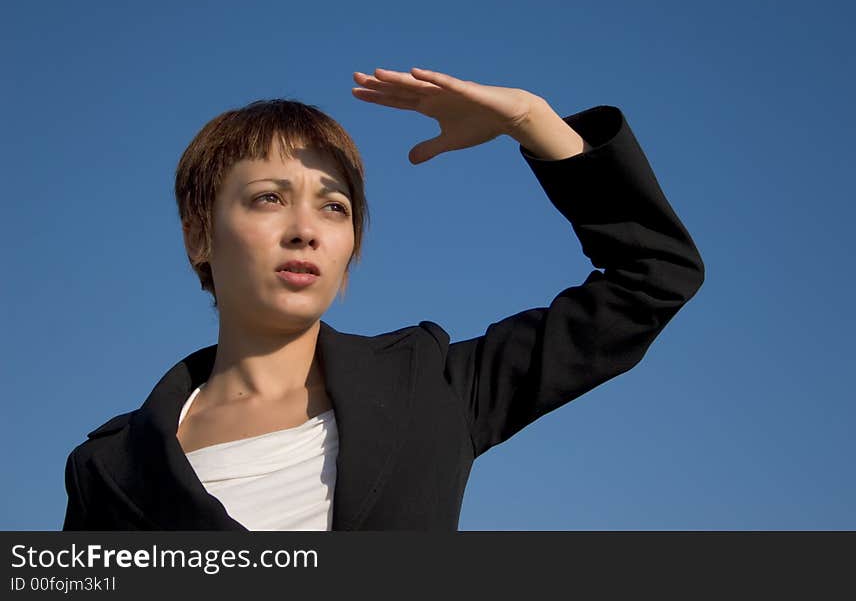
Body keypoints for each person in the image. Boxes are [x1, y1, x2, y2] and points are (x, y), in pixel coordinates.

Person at [61, 67, 705, 530]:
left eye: (333, 207)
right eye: (268, 198)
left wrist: (531, 121)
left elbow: (653, 275)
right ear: (199, 234)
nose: (306, 229)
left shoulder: (431, 385)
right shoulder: (109, 468)